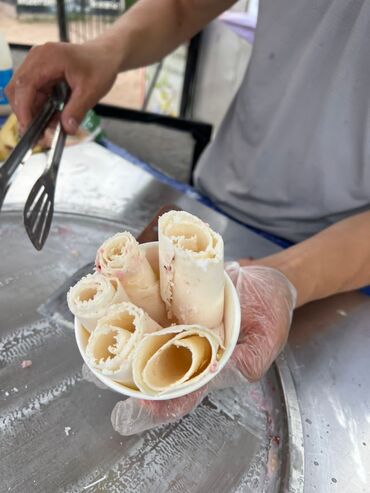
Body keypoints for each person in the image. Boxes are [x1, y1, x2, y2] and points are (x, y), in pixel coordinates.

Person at [5, 0, 370, 435]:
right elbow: (182, 7)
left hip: (347, 261)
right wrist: (107, 49)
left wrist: (291, 277)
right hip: (223, 188)